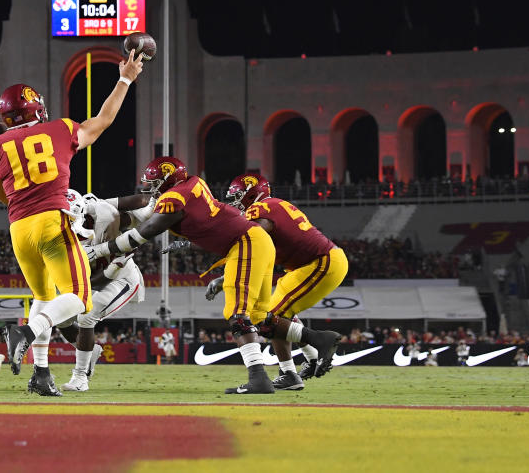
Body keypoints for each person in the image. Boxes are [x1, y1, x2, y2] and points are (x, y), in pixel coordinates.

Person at [88, 156, 340, 395]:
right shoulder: (191, 184)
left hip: (246, 243)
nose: (149, 187)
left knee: (237, 313)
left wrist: (100, 249)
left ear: (167, 180)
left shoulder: (175, 197)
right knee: (260, 317)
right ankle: (318, 338)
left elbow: (145, 231)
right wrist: (101, 203)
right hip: (256, 242)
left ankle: (259, 378)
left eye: (153, 182)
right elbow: (145, 206)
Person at [0, 48, 145, 397]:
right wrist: (124, 79)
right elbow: (102, 121)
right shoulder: (59, 129)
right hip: (51, 222)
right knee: (80, 299)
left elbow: (2, 193)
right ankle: (25, 334)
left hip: (18, 230)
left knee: (43, 297)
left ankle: (41, 375)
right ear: (35, 108)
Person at [208, 173, 349, 390]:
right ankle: (302, 365)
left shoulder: (260, 208)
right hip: (308, 265)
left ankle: (312, 350)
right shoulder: (273, 205)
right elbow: (256, 253)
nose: (234, 201)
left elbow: (254, 237)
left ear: (252, 194)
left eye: (237, 195)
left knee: (271, 319)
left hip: (320, 262)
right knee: (272, 316)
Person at [59, 190, 149, 392]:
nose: (63, 220)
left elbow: (141, 204)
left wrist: (110, 260)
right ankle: (90, 352)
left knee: (87, 317)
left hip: (121, 278)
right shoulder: (60, 240)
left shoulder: (104, 215)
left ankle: (80, 377)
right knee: (61, 318)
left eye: (67, 215)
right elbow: (89, 283)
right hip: (96, 278)